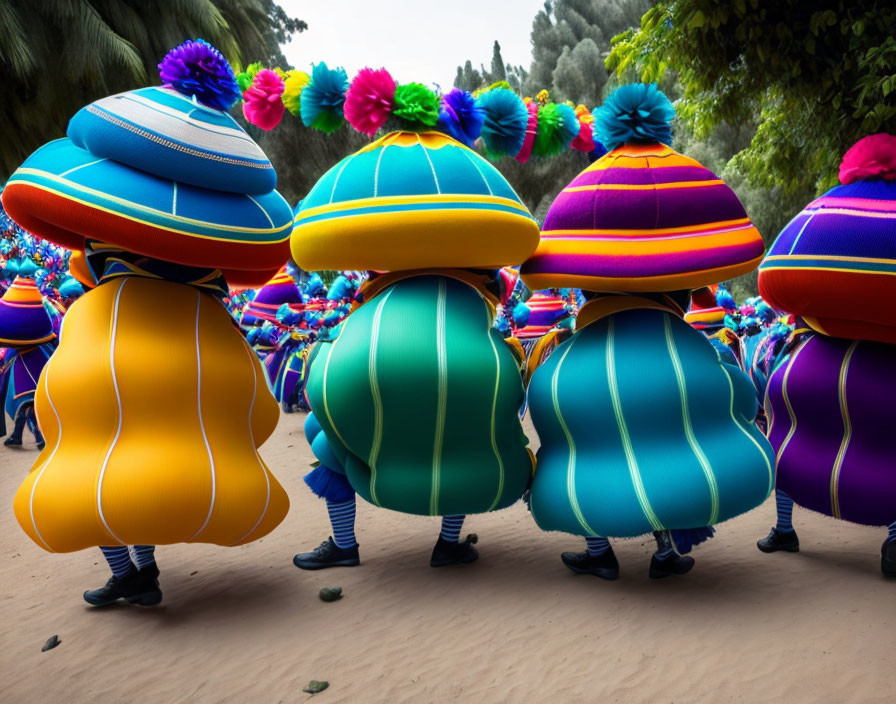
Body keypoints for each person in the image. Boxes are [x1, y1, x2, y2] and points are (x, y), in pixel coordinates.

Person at [3, 40, 293, 605]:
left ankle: (135, 571)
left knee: (94, 475)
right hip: (190, 338)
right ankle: (138, 573)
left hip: (116, 335)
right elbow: (258, 412)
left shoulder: (97, 291)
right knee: (108, 468)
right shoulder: (208, 297)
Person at [519, 84, 774, 580]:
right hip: (671, 344)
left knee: (575, 453)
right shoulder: (699, 349)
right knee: (671, 443)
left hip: (588, 359)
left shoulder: (561, 367)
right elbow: (742, 397)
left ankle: (599, 555)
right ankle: (667, 549)